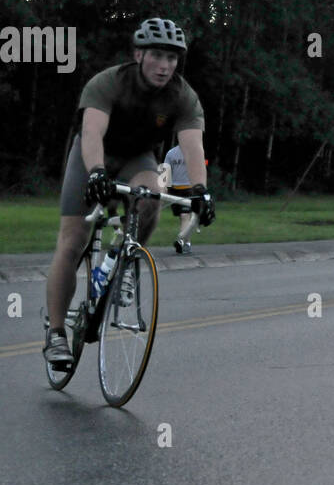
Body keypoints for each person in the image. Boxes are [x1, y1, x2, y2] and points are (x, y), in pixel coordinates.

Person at [43, 18, 215, 369]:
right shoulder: (108, 83)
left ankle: (124, 263)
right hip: (94, 155)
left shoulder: (182, 96)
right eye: (156, 56)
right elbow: (91, 133)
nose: (164, 66)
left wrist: (200, 191)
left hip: (137, 157)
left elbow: (192, 147)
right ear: (138, 54)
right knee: (73, 239)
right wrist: (95, 173)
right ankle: (57, 332)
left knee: (152, 195)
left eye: (172, 58)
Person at [163, 142, 206, 254]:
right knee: (182, 217)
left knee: (184, 215)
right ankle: (187, 243)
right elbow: (166, 171)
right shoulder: (171, 153)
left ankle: (181, 241)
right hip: (175, 189)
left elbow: (201, 169)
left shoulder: (194, 152)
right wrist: (164, 188)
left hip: (190, 189)